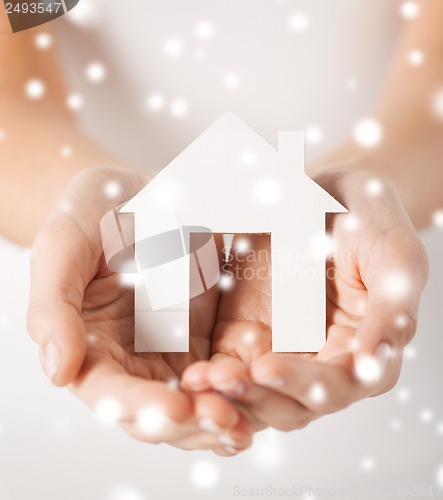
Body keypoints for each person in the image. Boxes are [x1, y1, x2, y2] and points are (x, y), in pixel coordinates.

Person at [0, 1, 441, 455]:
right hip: (57, 425)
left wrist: (358, 187)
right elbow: (8, 96)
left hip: (396, 415)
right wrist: (84, 205)